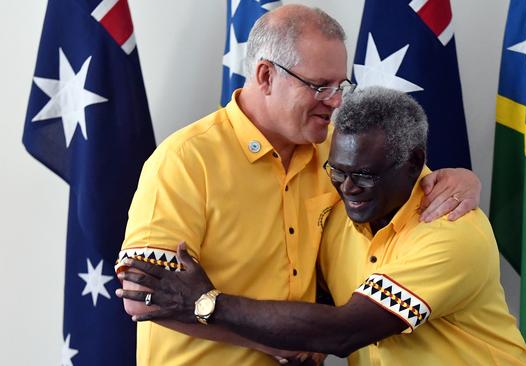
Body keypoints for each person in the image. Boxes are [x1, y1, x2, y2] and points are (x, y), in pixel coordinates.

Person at [116, 5, 481, 366]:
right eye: (320, 86)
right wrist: (273, 341)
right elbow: (143, 295)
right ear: (265, 76)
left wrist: (466, 179)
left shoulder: (340, 151)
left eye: (341, 86)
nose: (336, 102)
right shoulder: (185, 160)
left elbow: (413, 181)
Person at [117, 86, 526, 365]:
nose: (348, 187)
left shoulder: (449, 229)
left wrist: (205, 301)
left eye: (365, 175)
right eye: (337, 170)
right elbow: (141, 296)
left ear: (413, 164)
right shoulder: (340, 205)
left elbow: (345, 332)